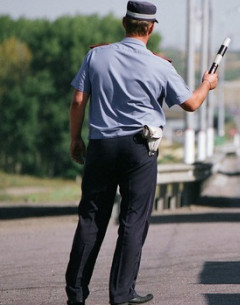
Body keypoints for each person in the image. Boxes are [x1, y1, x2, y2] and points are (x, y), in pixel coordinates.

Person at [65, 1, 218, 305]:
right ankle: (121, 294)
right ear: (150, 28)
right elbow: (191, 104)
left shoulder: (95, 56)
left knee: (91, 218)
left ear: (125, 23)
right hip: (140, 150)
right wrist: (206, 84)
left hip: (101, 146)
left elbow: (78, 101)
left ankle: (76, 294)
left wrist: (75, 139)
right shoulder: (161, 65)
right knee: (133, 220)